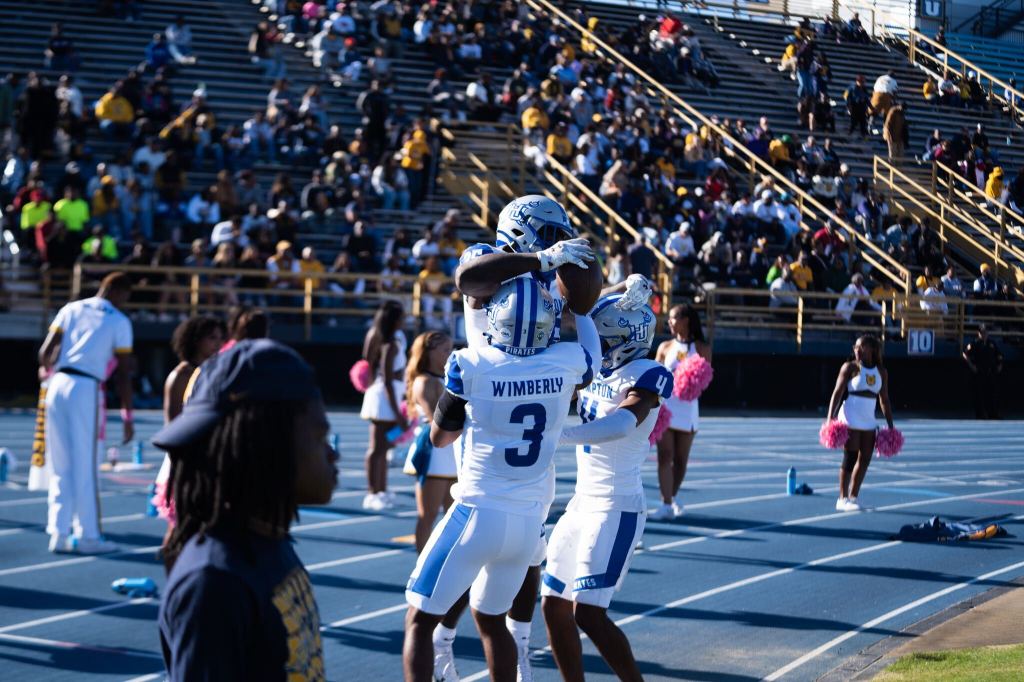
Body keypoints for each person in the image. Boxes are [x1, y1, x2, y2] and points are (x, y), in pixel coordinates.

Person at [403, 277, 598, 682]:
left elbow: (441, 439)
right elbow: (591, 355)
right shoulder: (566, 360)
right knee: (492, 620)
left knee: (420, 621)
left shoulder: (470, 363)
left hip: (477, 511)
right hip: (527, 522)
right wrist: (579, 309)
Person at [153, 339, 337, 681]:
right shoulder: (213, 584)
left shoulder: (269, 540)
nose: (332, 454)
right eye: (320, 437)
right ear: (269, 447)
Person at [542, 293, 671, 682]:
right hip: (582, 501)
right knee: (552, 604)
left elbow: (621, 424)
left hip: (617, 504)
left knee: (589, 612)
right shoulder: (599, 370)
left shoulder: (649, 373)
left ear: (624, 338)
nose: (595, 344)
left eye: (602, 337)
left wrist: (560, 435)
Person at [37, 272, 135, 554]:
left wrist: (48, 373)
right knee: (87, 465)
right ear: (118, 291)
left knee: (61, 464)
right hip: (86, 387)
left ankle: (58, 531)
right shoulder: (118, 320)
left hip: (57, 384)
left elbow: (45, 352)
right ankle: (89, 536)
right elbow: (124, 373)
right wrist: (127, 415)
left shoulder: (71, 308)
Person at [652, 303, 712, 520]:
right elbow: (654, 376)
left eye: (673, 318)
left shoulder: (702, 348)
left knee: (681, 460)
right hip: (666, 407)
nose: (669, 322)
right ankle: (666, 503)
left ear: (686, 321)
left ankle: (672, 497)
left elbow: (704, 380)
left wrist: (689, 383)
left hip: (687, 409)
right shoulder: (665, 347)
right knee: (664, 456)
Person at [826, 335, 895, 512]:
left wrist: (890, 425)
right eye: (855, 347)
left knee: (865, 459)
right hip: (850, 416)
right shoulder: (850, 367)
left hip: (869, 420)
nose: (856, 350)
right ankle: (841, 498)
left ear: (872, 349)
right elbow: (837, 393)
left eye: (861, 347)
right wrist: (830, 418)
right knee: (850, 457)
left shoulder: (881, 371)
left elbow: (884, 400)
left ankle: (853, 497)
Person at [402, 331, 457, 551]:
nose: (450, 354)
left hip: (452, 448)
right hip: (435, 451)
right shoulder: (424, 381)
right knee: (428, 514)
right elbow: (437, 416)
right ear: (430, 352)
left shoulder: (446, 377)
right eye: (445, 350)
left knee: (454, 515)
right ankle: (420, 566)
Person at [359, 300, 408, 511]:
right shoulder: (389, 344)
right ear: (395, 320)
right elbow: (386, 379)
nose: (405, 320)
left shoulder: (391, 339)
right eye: (402, 317)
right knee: (377, 448)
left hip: (391, 393)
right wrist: (398, 413)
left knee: (386, 445)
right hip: (384, 397)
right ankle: (372, 492)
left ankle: (382, 489)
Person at [963, 325, 1002, 419]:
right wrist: (971, 366)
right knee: (979, 395)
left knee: (992, 394)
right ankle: (980, 415)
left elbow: (999, 355)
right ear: (978, 333)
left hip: (990, 372)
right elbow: (965, 353)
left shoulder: (992, 343)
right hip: (980, 372)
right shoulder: (975, 343)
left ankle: (993, 414)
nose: (984, 334)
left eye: (985, 332)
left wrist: (1000, 365)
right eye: (982, 333)